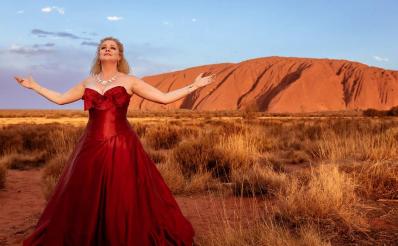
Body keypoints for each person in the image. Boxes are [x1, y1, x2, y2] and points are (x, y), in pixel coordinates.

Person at [14, 36, 215, 246]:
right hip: (90, 146)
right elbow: (61, 99)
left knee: (122, 194)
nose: (107, 50)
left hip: (122, 145)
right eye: (103, 47)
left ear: (119, 56)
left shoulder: (130, 81)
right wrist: (34, 86)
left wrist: (194, 86)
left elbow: (164, 98)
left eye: (112, 48)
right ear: (99, 54)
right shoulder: (88, 82)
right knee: (85, 194)